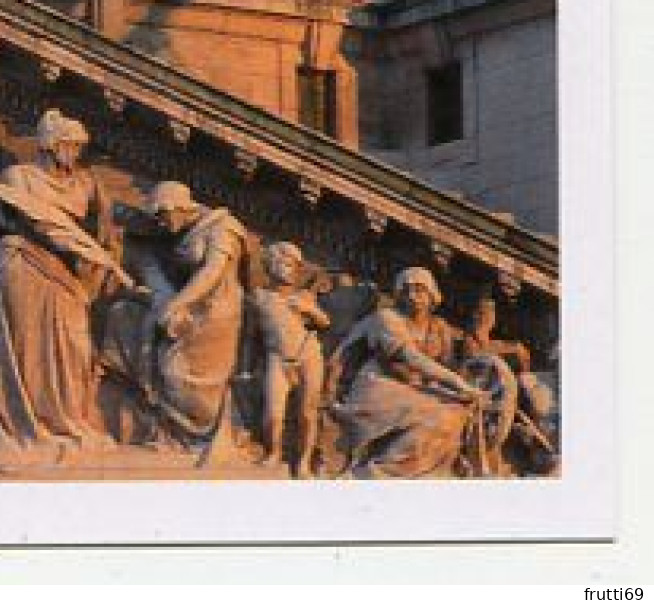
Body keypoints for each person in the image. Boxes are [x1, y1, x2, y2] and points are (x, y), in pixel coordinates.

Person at [0, 109, 135, 471]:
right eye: (69, 145)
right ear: (50, 144)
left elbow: (108, 227)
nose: (75, 153)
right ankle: (24, 426)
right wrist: (79, 247)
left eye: (79, 147)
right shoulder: (17, 177)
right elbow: (39, 223)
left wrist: (104, 256)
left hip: (68, 273)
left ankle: (68, 420)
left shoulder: (86, 183)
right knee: (29, 350)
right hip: (24, 264)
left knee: (75, 346)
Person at [104, 181, 248, 449]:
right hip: (190, 310)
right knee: (131, 325)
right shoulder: (182, 230)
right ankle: (173, 433)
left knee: (177, 374)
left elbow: (212, 271)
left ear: (178, 208)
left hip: (216, 315)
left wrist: (176, 304)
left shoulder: (223, 227)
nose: (159, 223)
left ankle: (200, 436)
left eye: (161, 215)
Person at [326, 266, 485, 478]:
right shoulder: (386, 318)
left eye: (419, 290)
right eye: (406, 290)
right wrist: (459, 385)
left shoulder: (439, 328)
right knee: (435, 416)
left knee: (458, 413)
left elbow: (450, 367)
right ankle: (378, 471)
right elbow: (411, 358)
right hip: (378, 387)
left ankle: (462, 468)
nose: (412, 296)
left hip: (417, 390)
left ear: (432, 295)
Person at [248, 241, 330, 477]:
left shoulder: (304, 295)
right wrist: (245, 368)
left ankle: (303, 462)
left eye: (293, 265)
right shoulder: (259, 297)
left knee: (307, 412)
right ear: (270, 267)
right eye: (283, 263)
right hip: (277, 357)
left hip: (308, 355)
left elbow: (325, 322)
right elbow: (250, 336)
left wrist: (309, 309)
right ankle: (274, 453)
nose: (289, 269)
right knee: (273, 413)